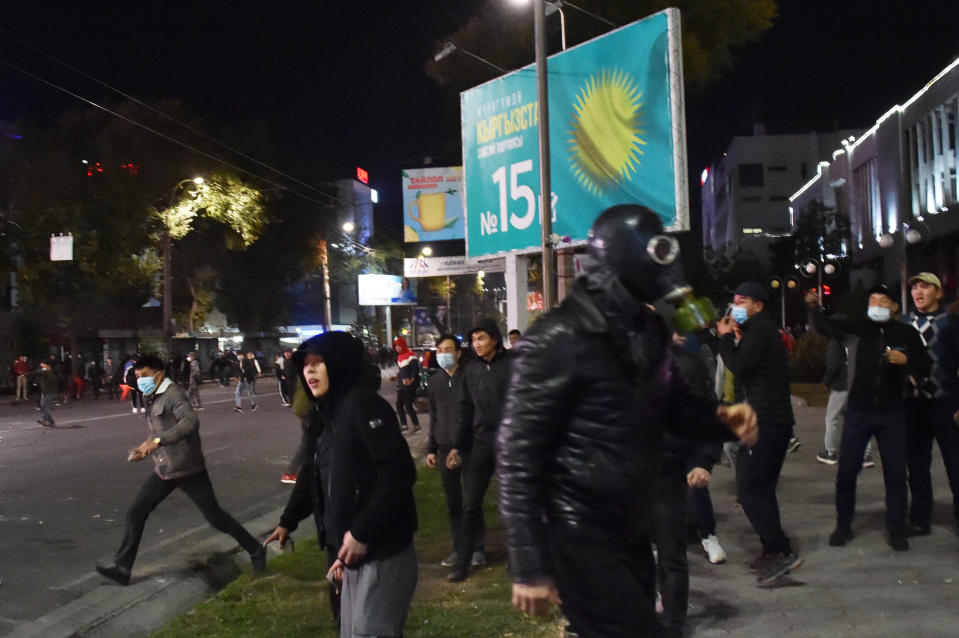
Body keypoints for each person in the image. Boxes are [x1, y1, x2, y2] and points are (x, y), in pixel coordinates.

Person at [497, 205, 758, 637]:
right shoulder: (558, 338)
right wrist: (528, 563)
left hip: (632, 526)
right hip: (579, 533)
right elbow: (517, 455)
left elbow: (673, 407)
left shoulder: (649, 331)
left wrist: (721, 420)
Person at [264, 332, 418, 638]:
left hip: (380, 548)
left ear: (339, 364)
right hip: (347, 552)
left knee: (369, 631)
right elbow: (313, 473)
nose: (309, 371)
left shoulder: (363, 405)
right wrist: (288, 521)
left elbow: (398, 473)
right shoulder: (325, 413)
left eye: (318, 363)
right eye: (305, 365)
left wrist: (362, 532)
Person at [95, 354, 266, 585]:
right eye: (137, 376)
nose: (140, 380)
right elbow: (159, 430)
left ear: (158, 373)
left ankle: (256, 549)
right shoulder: (152, 395)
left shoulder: (173, 394)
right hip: (164, 468)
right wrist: (144, 449)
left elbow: (189, 422)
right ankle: (123, 569)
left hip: (188, 469)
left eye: (144, 375)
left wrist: (156, 443)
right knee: (136, 512)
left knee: (216, 518)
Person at [805, 285, 931, 551]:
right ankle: (843, 525)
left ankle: (896, 528)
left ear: (895, 307)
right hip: (858, 413)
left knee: (896, 476)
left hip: (892, 415)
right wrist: (814, 309)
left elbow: (925, 364)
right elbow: (826, 327)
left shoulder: (906, 333)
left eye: (882, 300)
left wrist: (905, 359)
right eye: (872, 299)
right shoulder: (858, 328)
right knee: (847, 473)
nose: (876, 304)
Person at [716, 281, 801, 586]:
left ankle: (780, 550)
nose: (735, 306)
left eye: (742, 301)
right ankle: (773, 549)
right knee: (761, 489)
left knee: (750, 490)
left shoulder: (761, 330)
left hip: (766, 421)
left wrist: (724, 340)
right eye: (734, 300)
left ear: (758, 306)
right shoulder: (759, 331)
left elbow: (739, 366)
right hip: (769, 420)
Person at [446, 317, 512, 582]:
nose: (477, 344)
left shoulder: (513, 365)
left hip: (509, 444)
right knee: (471, 504)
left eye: (482, 338)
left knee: (511, 503)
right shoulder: (470, 371)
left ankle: (518, 561)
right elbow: (465, 410)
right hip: (480, 445)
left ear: (495, 339)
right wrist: (458, 447)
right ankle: (462, 562)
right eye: (473, 340)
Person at [901, 272, 959, 537]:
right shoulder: (903, 323)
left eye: (925, 287)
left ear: (938, 292)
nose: (918, 292)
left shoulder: (951, 323)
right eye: (914, 287)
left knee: (954, 463)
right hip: (914, 406)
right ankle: (920, 518)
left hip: (946, 404)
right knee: (917, 465)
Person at [426, 334, 477, 569]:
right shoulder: (435, 381)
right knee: (453, 501)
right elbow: (434, 415)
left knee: (471, 499)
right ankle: (458, 547)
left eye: (448, 349)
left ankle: (477, 548)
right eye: (439, 350)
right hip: (445, 445)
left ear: (458, 353)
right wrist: (432, 448)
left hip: (469, 445)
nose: (443, 354)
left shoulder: (469, 376)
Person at [817, 337, 874, 467]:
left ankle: (830, 452)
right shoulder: (860, 338)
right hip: (859, 383)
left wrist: (826, 381)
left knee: (832, 418)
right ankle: (866, 455)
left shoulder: (836, 340)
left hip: (842, 384)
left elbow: (834, 364)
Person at [392, 336, 420, 433]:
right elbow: (402, 371)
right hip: (401, 385)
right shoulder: (399, 357)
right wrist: (396, 377)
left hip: (409, 385)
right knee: (399, 405)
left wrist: (411, 380)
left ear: (403, 345)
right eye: (396, 346)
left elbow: (415, 370)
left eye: (399, 346)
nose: (397, 348)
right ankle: (404, 425)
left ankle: (416, 425)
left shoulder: (411, 355)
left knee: (408, 406)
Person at [30, 361, 59, 427]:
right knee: (43, 407)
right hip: (44, 392)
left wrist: (27, 373)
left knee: (45, 406)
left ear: (49, 367)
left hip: (51, 392)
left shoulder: (50, 373)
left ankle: (44, 419)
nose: (43, 367)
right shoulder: (44, 373)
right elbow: (37, 373)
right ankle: (51, 421)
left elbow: (55, 382)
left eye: (45, 366)